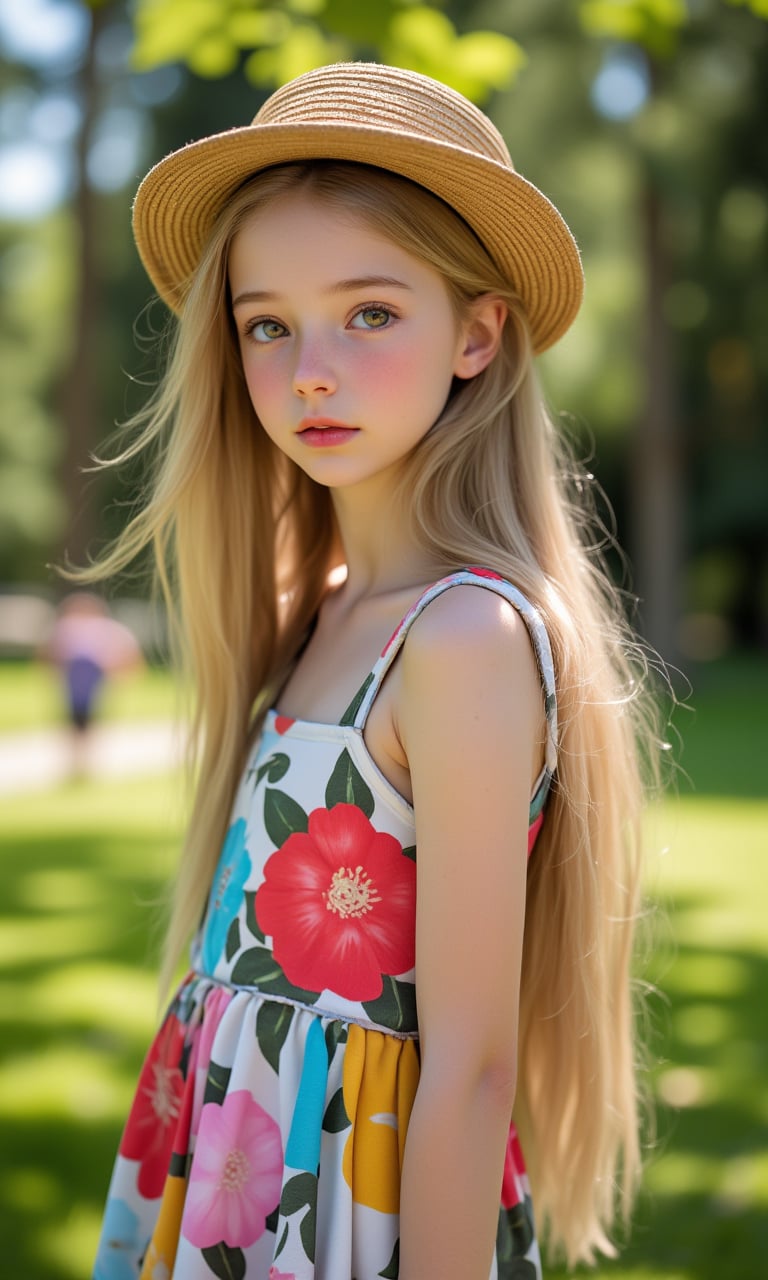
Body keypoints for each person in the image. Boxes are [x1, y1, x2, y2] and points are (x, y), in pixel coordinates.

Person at [89, 62, 664, 1280]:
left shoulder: (458, 642)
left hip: (351, 1208)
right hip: (227, 1174)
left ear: (475, 330)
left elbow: (468, 1067)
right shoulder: (319, 613)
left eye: (369, 313)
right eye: (266, 323)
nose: (309, 369)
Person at [43, 592, 142, 775]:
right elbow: (51, 653)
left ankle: (83, 763)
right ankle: (77, 763)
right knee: (74, 721)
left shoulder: (104, 630)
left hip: (93, 685)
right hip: (74, 684)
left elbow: (125, 655)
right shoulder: (68, 628)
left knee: (88, 722)